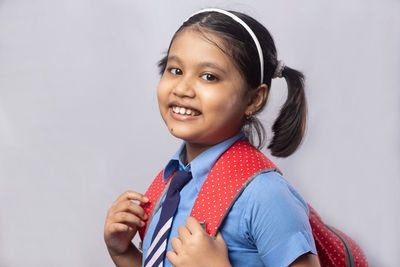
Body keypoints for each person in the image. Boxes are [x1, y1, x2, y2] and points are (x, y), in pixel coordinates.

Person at [104, 8, 320, 267]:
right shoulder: (173, 182)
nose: (182, 88)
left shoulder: (266, 195)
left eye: (209, 77)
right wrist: (123, 253)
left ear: (253, 99)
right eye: (174, 70)